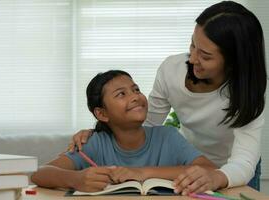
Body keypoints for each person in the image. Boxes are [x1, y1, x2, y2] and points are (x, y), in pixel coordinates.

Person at [67, 1, 267, 191]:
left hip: (234, 170)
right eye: (192, 46)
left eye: (205, 56)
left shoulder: (247, 92)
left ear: (234, 61)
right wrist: (101, 131)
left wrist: (215, 177)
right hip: (189, 163)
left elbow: (243, 162)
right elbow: (147, 124)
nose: (193, 59)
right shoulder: (172, 69)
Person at [31, 70, 219, 195]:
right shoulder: (95, 143)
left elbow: (210, 169)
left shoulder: (167, 137)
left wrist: (141, 172)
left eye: (136, 89)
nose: (135, 96)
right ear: (102, 113)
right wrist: (76, 179)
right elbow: (38, 173)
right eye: (122, 94)